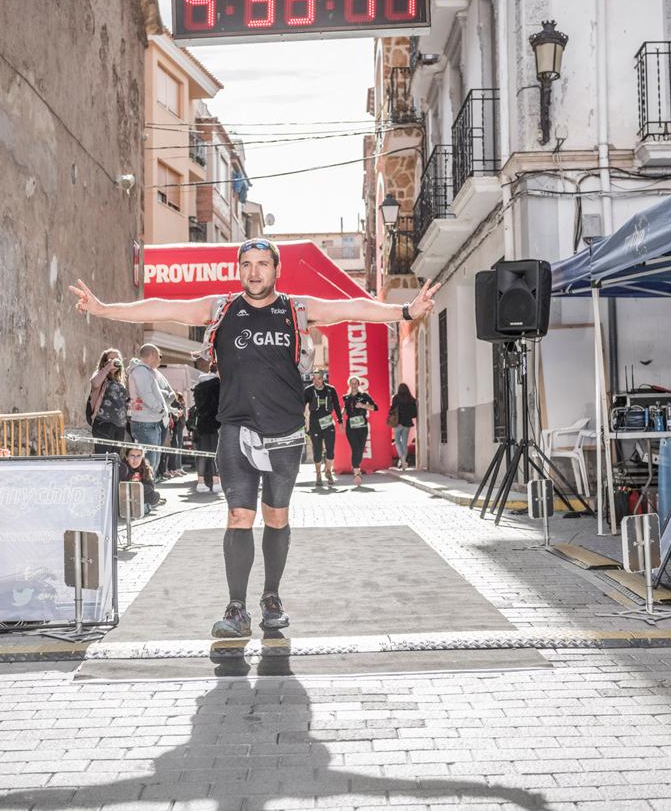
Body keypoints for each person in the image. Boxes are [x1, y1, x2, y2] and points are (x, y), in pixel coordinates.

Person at [71, 238, 439, 638]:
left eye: (263, 263)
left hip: (285, 434)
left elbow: (351, 307)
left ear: (276, 269)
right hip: (236, 430)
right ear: (239, 268)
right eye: (246, 263)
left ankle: (271, 597)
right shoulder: (221, 308)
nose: (254, 271)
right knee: (238, 516)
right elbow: (162, 306)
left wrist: (404, 310)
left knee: (276, 517)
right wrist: (104, 309)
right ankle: (235, 609)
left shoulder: (296, 309)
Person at [127, 344, 173, 471]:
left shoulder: (145, 371)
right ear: (152, 355)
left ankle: (150, 489)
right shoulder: (141, 371)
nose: (159, 360)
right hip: (146, 423)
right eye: (159, 356)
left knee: (152, 463)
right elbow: (146, 394)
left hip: (149, 422)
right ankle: (148, 489)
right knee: (149, 464)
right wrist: (161, 409)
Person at [303, 369, 342, 488]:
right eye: (314, 379)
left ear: (323, 378)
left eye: (318, 378)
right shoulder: (308, 390)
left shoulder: (331, 389)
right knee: (317, 450)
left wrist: (340, 420)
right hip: (315, 424)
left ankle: (328, 472)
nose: (316, 381)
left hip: (328, 423)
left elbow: (336, 405)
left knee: (330, 449)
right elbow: (302, 406)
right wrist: (302, 421)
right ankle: (318, 474)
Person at [86, 348, 129, 454]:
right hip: (103, 422)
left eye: (117, 359)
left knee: (114, 458)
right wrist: (107, 368)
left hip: (119, 425)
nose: (114, 362)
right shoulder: (101, 374)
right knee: (103, 457)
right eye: (111, 359)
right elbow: (95, 383)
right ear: (104, 362)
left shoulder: (120, 380)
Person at [342, 377, 380, 487]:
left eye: (355, 383)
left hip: (362, 426)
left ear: (358, 384)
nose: (353, 385)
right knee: (355, 448)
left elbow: (375, 407)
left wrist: (363, 405)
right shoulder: (346, 397)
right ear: (349, 384)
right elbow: (344, 409)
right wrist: (340, 417)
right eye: (352, 383)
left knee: (360, 448)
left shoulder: (364, 396)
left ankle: (355, 466)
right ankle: (356, 473)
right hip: (351, 426)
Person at [192, 363, 222, 494]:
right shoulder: (218, 385)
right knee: (215, 454)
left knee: (202, 454)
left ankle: (201, 483)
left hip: (202, 425)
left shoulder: (198, 387)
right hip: (215, 424)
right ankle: (216, 483)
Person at [120, 445, 164, 514]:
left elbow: (151, 488)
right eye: (132, 456)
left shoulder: (145, 468)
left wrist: (138, 486)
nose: (135, 459)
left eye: (138, 456)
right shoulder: (122, 468)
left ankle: (142, 507)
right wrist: (130, 483)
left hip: (140, 496)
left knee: (155, 496)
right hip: (124, 498)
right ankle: (143, 508)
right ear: (126, 457)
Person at [388, 383, 418, 469]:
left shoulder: (396, 398)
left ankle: (403, 460)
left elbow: (392, 410)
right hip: (407, 424)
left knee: (397, 442)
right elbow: (414, 414)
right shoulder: (411, 399)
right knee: (404, 443)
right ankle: (404, 461)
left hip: (398, 423)